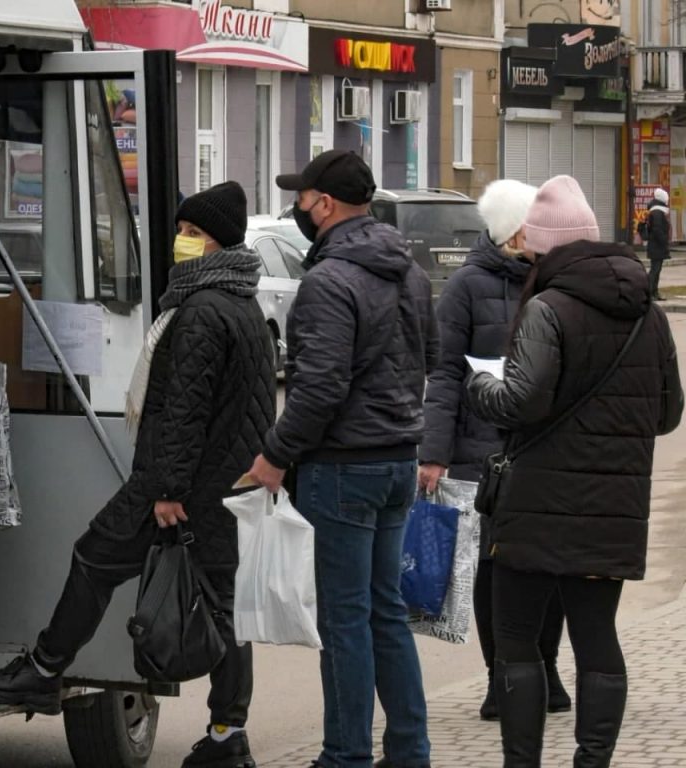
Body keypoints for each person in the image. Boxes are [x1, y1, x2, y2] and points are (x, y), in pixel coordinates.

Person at [0, 181, 276, 768]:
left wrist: (167, 490)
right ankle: (228, 735)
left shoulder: (201, 310)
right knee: (224, 608)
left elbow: (184, 411)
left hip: (181, 488)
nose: (182, 240)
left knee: (94, 558)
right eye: (182, 230)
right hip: (226, 486)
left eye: (194, 232)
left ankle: (43, 669)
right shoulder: (242, 302)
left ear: (219, 242)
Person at [467, 175, 683, 768]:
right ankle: (593, 761)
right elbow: (668, 414)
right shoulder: (649, 314)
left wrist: (478, 384)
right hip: (613, 509)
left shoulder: (547, 308)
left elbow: (520, 401)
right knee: (596, 637)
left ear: (546, 245)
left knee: (516, 639)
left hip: (535, 505)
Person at [247, 150, 439, 768]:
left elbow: (319, 387)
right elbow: (430, 357)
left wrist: (275, 455)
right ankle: (409, 752)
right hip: (397, 460)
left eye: (301, 199)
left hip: (343, 468)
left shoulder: (329, 280)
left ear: (324, 204)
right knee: (386, 613)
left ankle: (345, 756)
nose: (297, 209)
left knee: (346, 620)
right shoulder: (410, 272)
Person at [418, 179, 570, 721]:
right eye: (532, 227)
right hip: (479, 451)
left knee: (546, 564)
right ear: (512, 232)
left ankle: (546, 667)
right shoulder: (466, 286)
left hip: (540, 445)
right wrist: (433, 453)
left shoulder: (552, 280)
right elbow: (443, 374)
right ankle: (499, 675)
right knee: (491, 567)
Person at [645, 187, 671, 301]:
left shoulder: (657, 211)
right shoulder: (657, 212)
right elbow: (657, 230)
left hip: (657, 246)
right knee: (654, 270)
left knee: (657, 270)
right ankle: (649, 293)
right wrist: (664, 241)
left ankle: (654, 292)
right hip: (656, 246)